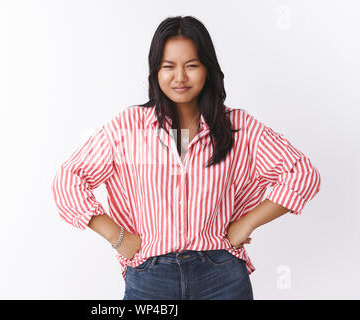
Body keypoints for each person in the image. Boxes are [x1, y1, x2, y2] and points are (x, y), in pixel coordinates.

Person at [51, 15, 322, 300]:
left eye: (191, 65)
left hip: (222, 275)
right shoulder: (129, 127)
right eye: (168, 66)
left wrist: (246, 224)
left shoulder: (238, 128)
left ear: (207, 68)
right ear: (155, 70)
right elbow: (69, 180)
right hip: (150, 277)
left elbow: (301, 174)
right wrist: (119, 238)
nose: (180, 77)